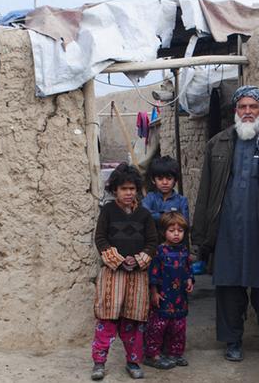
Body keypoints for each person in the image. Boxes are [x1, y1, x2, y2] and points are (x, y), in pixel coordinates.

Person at [191, 85, 259, 363]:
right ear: (235, 111)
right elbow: (205, 192)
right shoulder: (217, 143)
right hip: (228, 230)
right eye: (242, 107)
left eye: (253, 107)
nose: (248, 112)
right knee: (228, 288)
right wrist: (202, 234)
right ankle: (232, 342)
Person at [90, 163, 158, 381]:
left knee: (133, 323)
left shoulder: (145, 215)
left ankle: (133, 362)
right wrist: (118, 260)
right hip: (113, 275)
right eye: (123, 189)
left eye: (132, 189)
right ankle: (99, 363)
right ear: (115, 191)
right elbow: (100, 238)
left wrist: (138, 260)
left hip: (137, 276)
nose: (128, 193)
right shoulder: (108, 212)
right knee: (107, 321)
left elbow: (152, 242)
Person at [144, 212, 195, 369]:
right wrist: (154, 292)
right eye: (172, 230)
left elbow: (188, 270)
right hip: (163, 297)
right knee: (158, 326)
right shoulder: (159, 252)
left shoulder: (184, 251)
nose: (176, 234)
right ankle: (153, 354)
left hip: (179, 298)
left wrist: (189, 280)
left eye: (180, 231)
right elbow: (153, 275)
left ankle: (174, 353)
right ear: (163, 232)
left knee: (178, 327)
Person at [142, 155, 190, 227]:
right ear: (153, 180)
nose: (165, 182)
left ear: (175, 180)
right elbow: (144, 215)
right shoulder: (149, 198)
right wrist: (169, 215)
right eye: (160, 179)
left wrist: (157, 215)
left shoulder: (181, 201)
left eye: (169, 178)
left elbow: (184, 223)